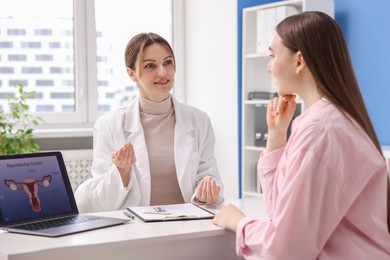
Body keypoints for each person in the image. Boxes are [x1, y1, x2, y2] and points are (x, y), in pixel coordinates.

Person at [213, 11, 390, 259]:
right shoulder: (327, 121)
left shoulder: (321, 130)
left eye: (273, 55)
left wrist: (239, 223)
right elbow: (282, 216)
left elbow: (287, 251)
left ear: (299, 61)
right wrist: (276, 137)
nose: (269, 66)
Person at [75, 32, 224, 213]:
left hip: (187, 224)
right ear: (131, 74)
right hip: (136, 230)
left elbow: (208, 174)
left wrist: (206, 191)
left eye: (168, 62)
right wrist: (121, 171)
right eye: (150, 66)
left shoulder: (199, 120)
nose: (163, 72)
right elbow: (101, 202)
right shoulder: (109, 125)